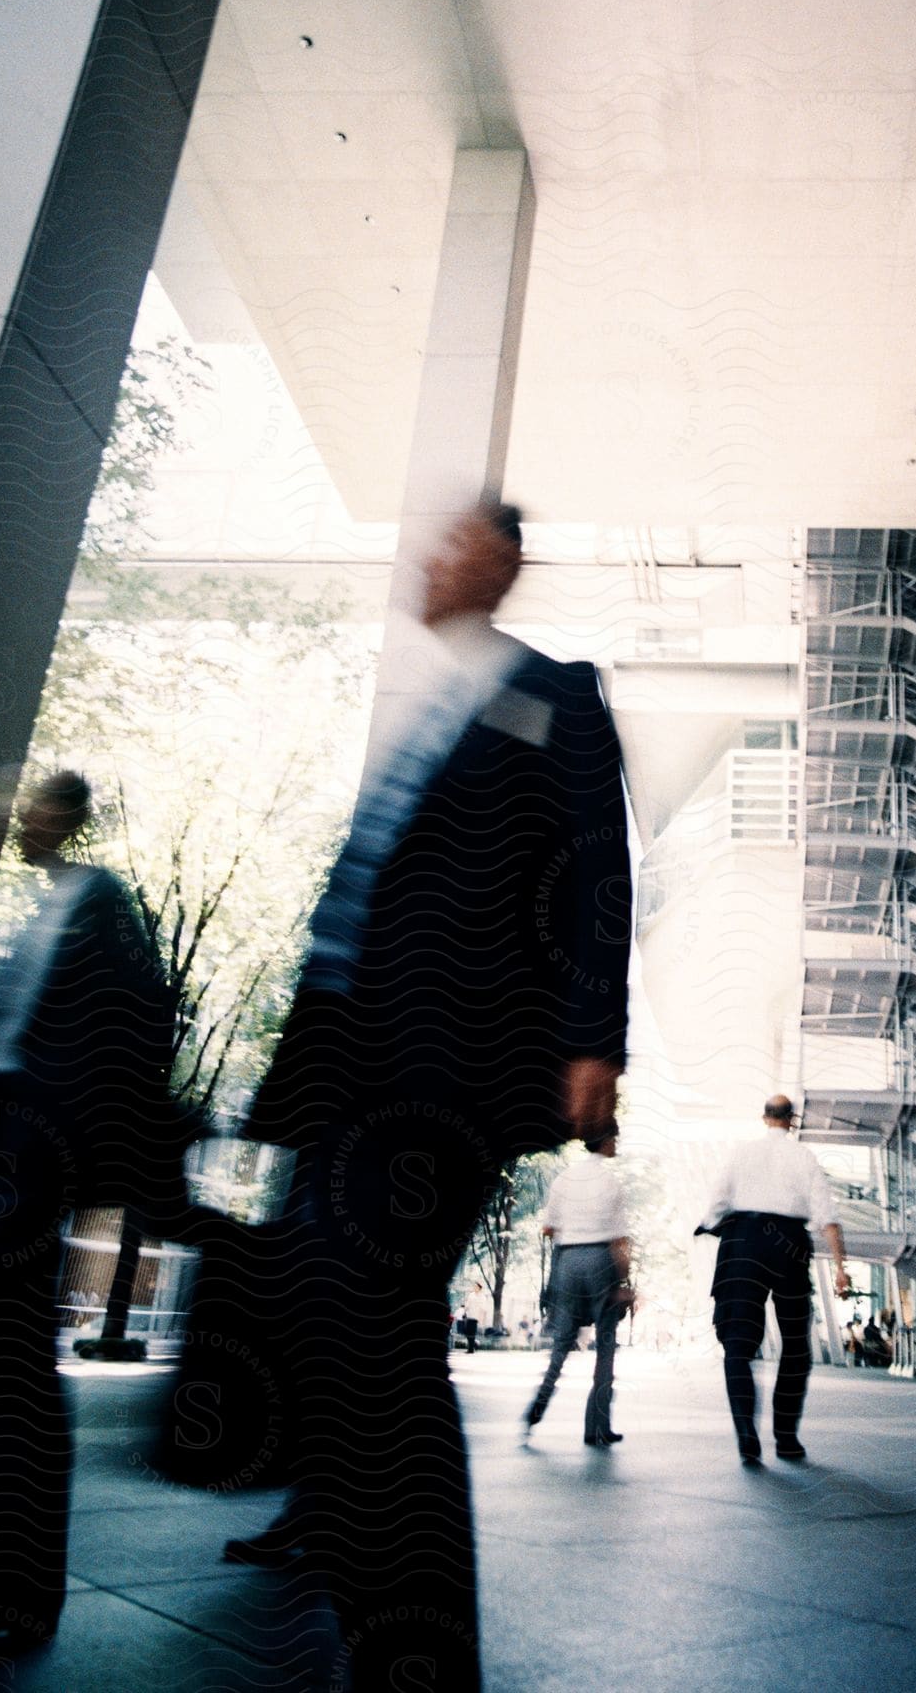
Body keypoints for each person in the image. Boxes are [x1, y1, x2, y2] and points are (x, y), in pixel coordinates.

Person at [243, 502, 631, 1691]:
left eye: (454, 542)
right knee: (345, 1319)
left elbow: (596, 864)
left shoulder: (554, 692)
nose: (428, 558)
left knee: (380, 1334)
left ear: (504, 562)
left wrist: (592, 1040)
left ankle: (413, 1641)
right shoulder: (432, 707)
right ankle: (350, 1544)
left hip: (448, 1068)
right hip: (349, 1069)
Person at [0, 770, 178, 1668]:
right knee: (1, 1361)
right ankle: (8, 1591)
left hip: (39, 1154)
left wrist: (72, 1158)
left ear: (62, 816)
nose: (10, 821)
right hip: (9, 1144)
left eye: (23, 808)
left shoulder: (94, 899)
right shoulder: (49, 899)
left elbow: (129, 1030)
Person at [700, 1094, 851, 1464]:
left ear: (763, 1118)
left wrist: (706, 1226)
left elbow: (717, 1202)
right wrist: (840, 1267)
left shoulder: (741, 1153)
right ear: (793, 1120)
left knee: (738, 1345)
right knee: (796, 1344)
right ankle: (786, 1438)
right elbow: (827, 1216)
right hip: (789, 1245)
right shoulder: (804, 1157)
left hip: (743, 1244)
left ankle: (746, 1435)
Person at [523, 1117, 633, 1446]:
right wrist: (624, 1280)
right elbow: (620, 1240)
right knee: (606, 1347)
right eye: (616, 1138)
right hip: (601, 1260)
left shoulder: (564, 1178)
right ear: (607, 1141)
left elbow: (547, 1229)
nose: (617, 1144)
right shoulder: (611, 1181)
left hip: (567, 1260)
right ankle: (596, 1426)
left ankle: (536, 1410)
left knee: (561, 1346)